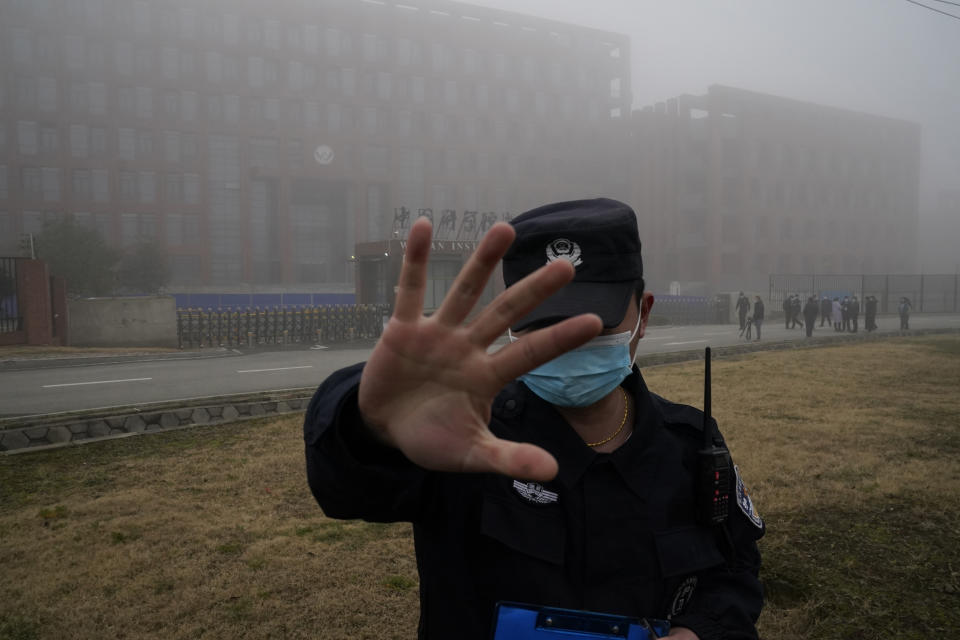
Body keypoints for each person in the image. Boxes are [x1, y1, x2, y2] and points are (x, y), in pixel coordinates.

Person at [303, 199, 764, 640]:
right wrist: (370, 425)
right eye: (543, 321)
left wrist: (702, 630)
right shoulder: (464, 437)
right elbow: (344, 488)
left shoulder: (688, 444)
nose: (565, 343)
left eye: (592, 320)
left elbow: (735, 569)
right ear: (512, 324)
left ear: (642, 313)